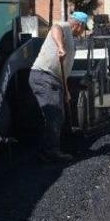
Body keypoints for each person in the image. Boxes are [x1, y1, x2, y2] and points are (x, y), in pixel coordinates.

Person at [29, 11, 90, 159]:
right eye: (84, 28)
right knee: (54, 113)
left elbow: (64, 70)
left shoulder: (72, 38)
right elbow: (56, 28)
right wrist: (60, 46)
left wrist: (66, 90)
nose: (83, 32)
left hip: (55, 79)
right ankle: (49, 152)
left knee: (58, 115)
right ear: (79, 25)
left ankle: (51, 148)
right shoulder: (65, 27)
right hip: (44, 76)